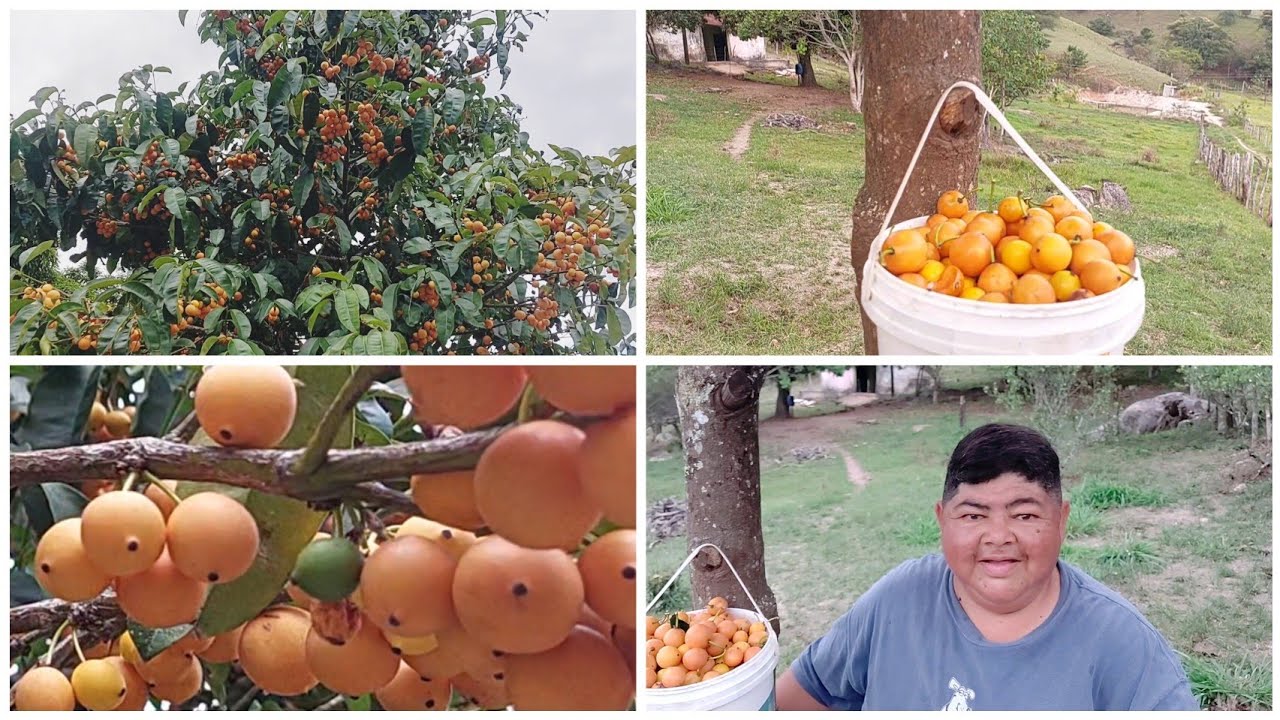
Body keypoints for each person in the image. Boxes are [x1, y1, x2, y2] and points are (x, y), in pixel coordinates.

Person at [776, 423, 1199, 711]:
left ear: (1061, 520)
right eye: (974, 516)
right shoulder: (897, 600)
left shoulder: (1125, 647)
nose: (998, 537)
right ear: (942, 520)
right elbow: (799, 697)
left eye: (1025, 515)